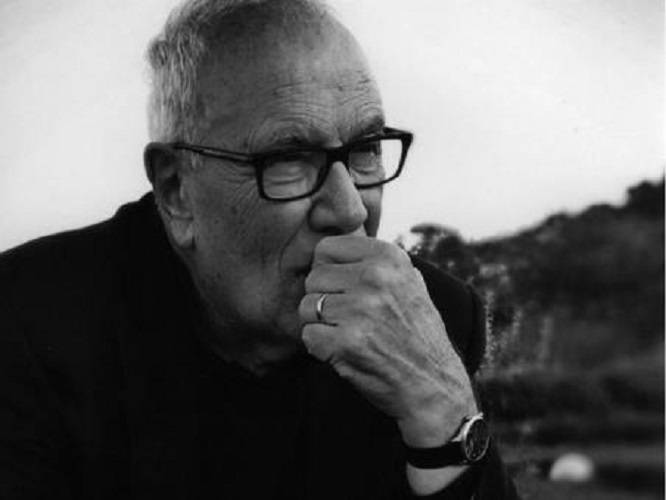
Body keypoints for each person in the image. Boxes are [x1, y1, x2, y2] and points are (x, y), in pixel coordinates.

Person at [0, 0, 519, 498]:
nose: (349, 210)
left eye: (365, 150)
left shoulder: (433, 322)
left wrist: (443, 411)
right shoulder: (30, 329)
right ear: (177, 190)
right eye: (289, 158)